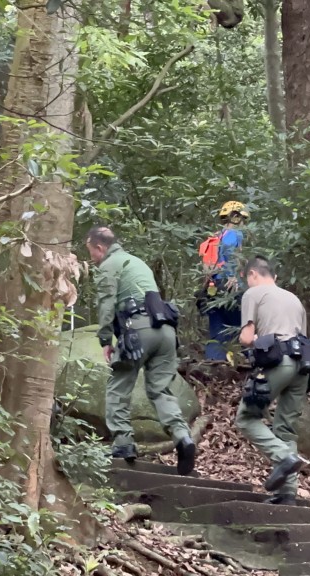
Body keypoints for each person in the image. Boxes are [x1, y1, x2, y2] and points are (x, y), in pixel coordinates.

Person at [86, 226, 196, 474]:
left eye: (91, 252)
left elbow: (106, 305)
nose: (91, 258)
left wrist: (106, 339)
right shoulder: (137, 262)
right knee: (160, 390)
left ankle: (123, 443)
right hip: (165, 330)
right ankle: (182, 436)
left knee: (119, 385)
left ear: (100, 248)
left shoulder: (109, 265)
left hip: (137, 330)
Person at [235, 255, 310, 505]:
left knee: (247, 418)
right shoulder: (293, 298)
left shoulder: (253, 294)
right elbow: (302, 336)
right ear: (274, 277)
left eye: (249, 279)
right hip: (304, 364)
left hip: (279, 361)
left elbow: (247, 338)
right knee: (286, 427)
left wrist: (254, 338)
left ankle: (284, 457)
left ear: (252, 275)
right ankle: (287, 494)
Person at [200, 200, 249, 361]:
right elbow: (229, 253)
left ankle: (215, 362)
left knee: (217, 328)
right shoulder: (235, 234)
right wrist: (232, 276)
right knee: (243, 325)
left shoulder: (217, 236)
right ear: (237, 217)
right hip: (229, 286)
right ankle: (251, 360)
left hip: (213, 287)